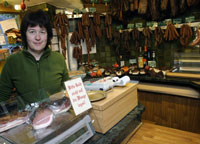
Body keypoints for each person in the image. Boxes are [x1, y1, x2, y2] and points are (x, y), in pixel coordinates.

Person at [0, 9, 69, 107]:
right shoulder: (13, 62)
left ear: (48, 35)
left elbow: (68, 89)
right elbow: (2, 97)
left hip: (58, 117)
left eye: (42, 32)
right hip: (27, 119)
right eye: (32, 32)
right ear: (24, 34)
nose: (38, 37)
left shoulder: (59, 59)